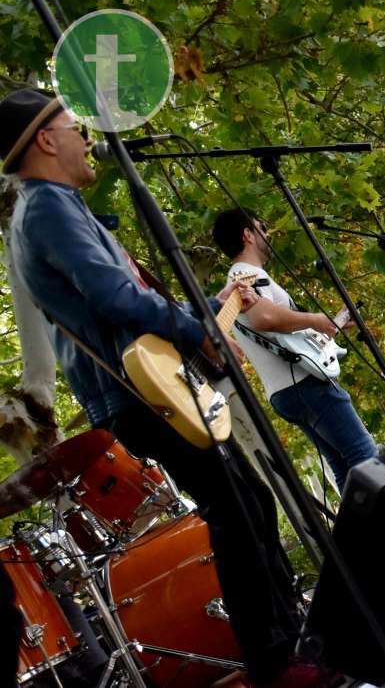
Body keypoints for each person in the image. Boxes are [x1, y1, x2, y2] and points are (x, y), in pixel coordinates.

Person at [1, 88, 329, 687]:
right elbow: (116, 297)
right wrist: (197, 329)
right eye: (73, 128)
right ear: (46, 140)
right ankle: (276, 661)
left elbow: (128, 298)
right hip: (138, 391)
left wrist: (214, 306)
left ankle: (290, 643)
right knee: (235, 509)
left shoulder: (47, 209)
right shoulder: (47, 207)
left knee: (248, 503)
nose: (85, 138)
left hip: (141, 386)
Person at [212, 209, 378, 492]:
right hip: (304, 383)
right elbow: (265, 319)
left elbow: (283, 332)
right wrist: (317, 320)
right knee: (366, 456)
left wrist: (328, 325)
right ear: (247, 235)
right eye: (262, 227)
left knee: (344, 467)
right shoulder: (246, 275)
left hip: (284, 390)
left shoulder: (242, 277)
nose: (268, 235)